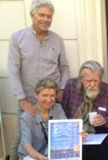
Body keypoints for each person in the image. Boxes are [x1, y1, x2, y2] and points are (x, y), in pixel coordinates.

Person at [7, 0, 70, 159]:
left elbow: (64, 68)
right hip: (28, 99)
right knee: (20, 139)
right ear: (32, 15)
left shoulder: (57, 40)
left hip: (51, 100)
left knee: (55, 138)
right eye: (42, 15)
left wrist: (61, 90)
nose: (46, 19)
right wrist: (22, 99)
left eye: (49, 16)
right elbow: (13, 70)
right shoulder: (17, 38)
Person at [61, 61, 108, 160]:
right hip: (76, 130)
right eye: (88, 80)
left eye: (96, 80)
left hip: (99, 131)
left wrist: (105, 121)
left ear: (100, 78)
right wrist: (73, 131)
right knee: (79, 148)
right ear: (80, 79)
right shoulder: (71, 86)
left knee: (102, 147)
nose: (92, 84)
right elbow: (63, 112)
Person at [17, 78, 86, 160]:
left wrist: (78, 135)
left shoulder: (57, 108)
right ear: (36, 95)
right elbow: (27, 146)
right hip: (32, 156)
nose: (49, 100)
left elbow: (67, 130)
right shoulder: (26, 117)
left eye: (52, 96)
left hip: (52, 153)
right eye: (44, 95)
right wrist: (41, 158)